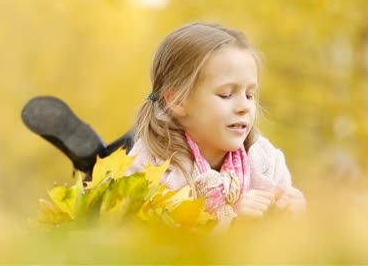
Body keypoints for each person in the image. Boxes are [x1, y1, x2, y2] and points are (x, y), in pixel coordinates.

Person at [127, 22, 306, 225]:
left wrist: (292, 214)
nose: (244, 107)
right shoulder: (149, 169)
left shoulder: (266, 163)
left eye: (249, 95)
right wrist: (228, 221)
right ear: (178, 101)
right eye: (226, 94)